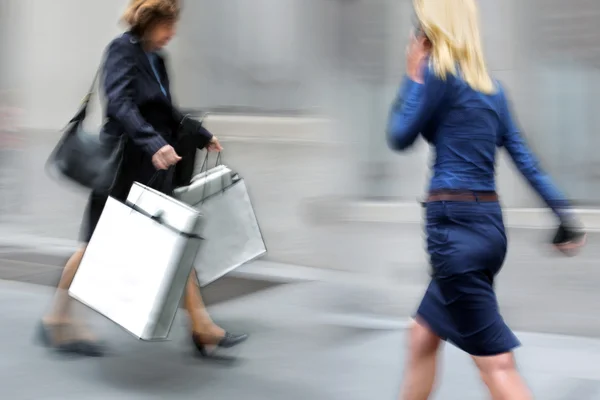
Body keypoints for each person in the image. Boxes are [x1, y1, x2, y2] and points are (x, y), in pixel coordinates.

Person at [387, 0, 586, 399]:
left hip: (453, 232)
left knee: (497, 364)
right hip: (488, 231)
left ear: (430, 36)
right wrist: (564, 216)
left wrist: (413, 75)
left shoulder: (438, 78)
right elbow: (527, 161)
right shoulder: (494, 92)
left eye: (418, 27)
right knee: (422, 335)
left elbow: (399, 135)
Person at [39, 0, 247, 358]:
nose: (173, 31)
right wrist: (153, 143)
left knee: (175, 239)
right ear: (148, 21)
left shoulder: (158, 60)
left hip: (153, 168)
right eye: (167, 23)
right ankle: (57, 318)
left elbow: (166, 110)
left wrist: (199, 133)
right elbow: (120, 104)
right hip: (122, 167)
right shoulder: (121, 51)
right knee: (95, 245)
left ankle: (201, 326)